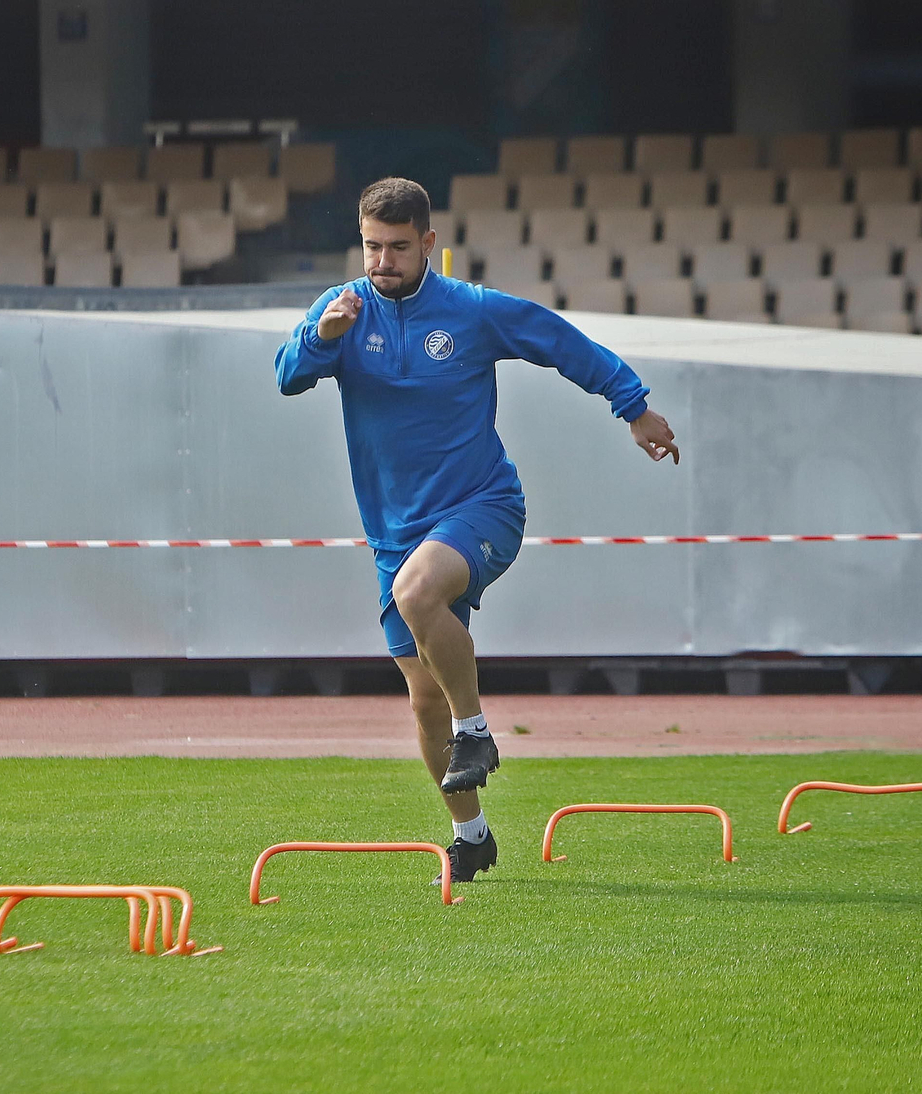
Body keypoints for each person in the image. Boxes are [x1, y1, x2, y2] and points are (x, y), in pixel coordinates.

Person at [274, 177, 679, 883]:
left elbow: (559, 342)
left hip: (483, 505)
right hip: (394, 531)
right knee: (423, 699)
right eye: (372, 246)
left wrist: (633, 404)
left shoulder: (470, 311)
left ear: (429, 244)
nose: (382, 261)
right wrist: (321, 337)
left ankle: (477, 729)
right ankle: (473, 836)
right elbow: (286, 376)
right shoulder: (339, 312)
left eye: (398, 247)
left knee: (419, 592)